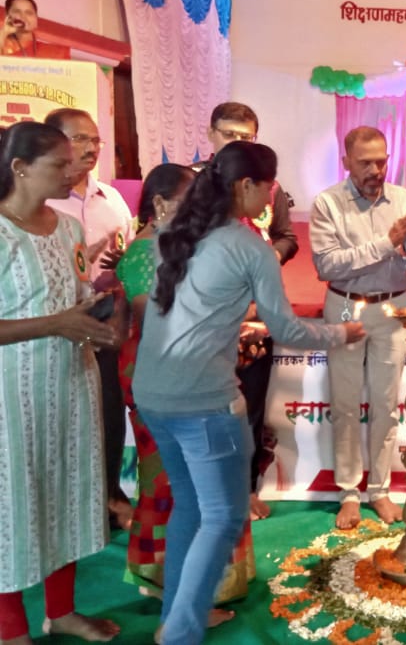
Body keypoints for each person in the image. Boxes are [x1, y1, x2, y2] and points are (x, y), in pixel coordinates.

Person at [131, 141, 364, 645]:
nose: (272, 198)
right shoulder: (250, 247)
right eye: (270, 187)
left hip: (153, 394)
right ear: (246, 185)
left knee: (191, 507)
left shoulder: (175, 231)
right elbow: (289, 329)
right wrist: (341, 334)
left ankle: (176, 615)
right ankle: (179, 631)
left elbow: (189, 310)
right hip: (203, 401)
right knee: (224, 515)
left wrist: (230, 328)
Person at [115, 164, 254, 621]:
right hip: (166, 382)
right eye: (189, 199)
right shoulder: (144, 253)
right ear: (159, 204)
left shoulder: (175, 247)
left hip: (182, 376)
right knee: (179, 489)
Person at [0, 121, 121, 644]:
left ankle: (63, 611)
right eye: (60, 163)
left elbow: (73, 299)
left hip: (71, 382)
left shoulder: (69, 229)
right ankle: (10, 629)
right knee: (13, 503)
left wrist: (101, 313)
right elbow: (50, 317)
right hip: (12, 395)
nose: (73, 171)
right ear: (20, 168)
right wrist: (56, 324)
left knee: (65, 494)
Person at [310, 126, 406, 530]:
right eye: (365, 163)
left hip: (393, 310)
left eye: (381, 161)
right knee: (345, 404)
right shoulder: (328, 203)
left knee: (386, 404)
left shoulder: (404, 200)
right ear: (346, 161)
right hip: (345, 307)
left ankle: (379, 489)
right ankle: (349, 493)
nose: (375, 170)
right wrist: (389, 240)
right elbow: (328, 265)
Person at [194, 102, 299, 520]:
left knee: (250, 407)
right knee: (205, 408)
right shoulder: (191, 184)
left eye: (246, 136)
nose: (237, 142)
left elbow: (287, 236)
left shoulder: (270, 188)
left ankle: (245, 490)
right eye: (229, 134)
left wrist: (269, 256)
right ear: (211, 134)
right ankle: (204, 493)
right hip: (205, 321)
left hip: (257, 313)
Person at [44, 107, 135, 531]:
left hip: (106, 320)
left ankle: (110, 497)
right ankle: (62, 509)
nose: (90, 147)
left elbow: (128, 259)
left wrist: (118, 293)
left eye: (95, 139)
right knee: (60, 420)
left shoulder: (111, 200)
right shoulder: (41, 198)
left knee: (108, 414)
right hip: (52, 325)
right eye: (78, 138)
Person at [1, 0, 70, 59]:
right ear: (7, 16)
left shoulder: (56, 52)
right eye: (17, 11)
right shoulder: (2, 44)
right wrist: (4, 32)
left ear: (36, 18)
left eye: (29, 13)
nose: (23, 16)